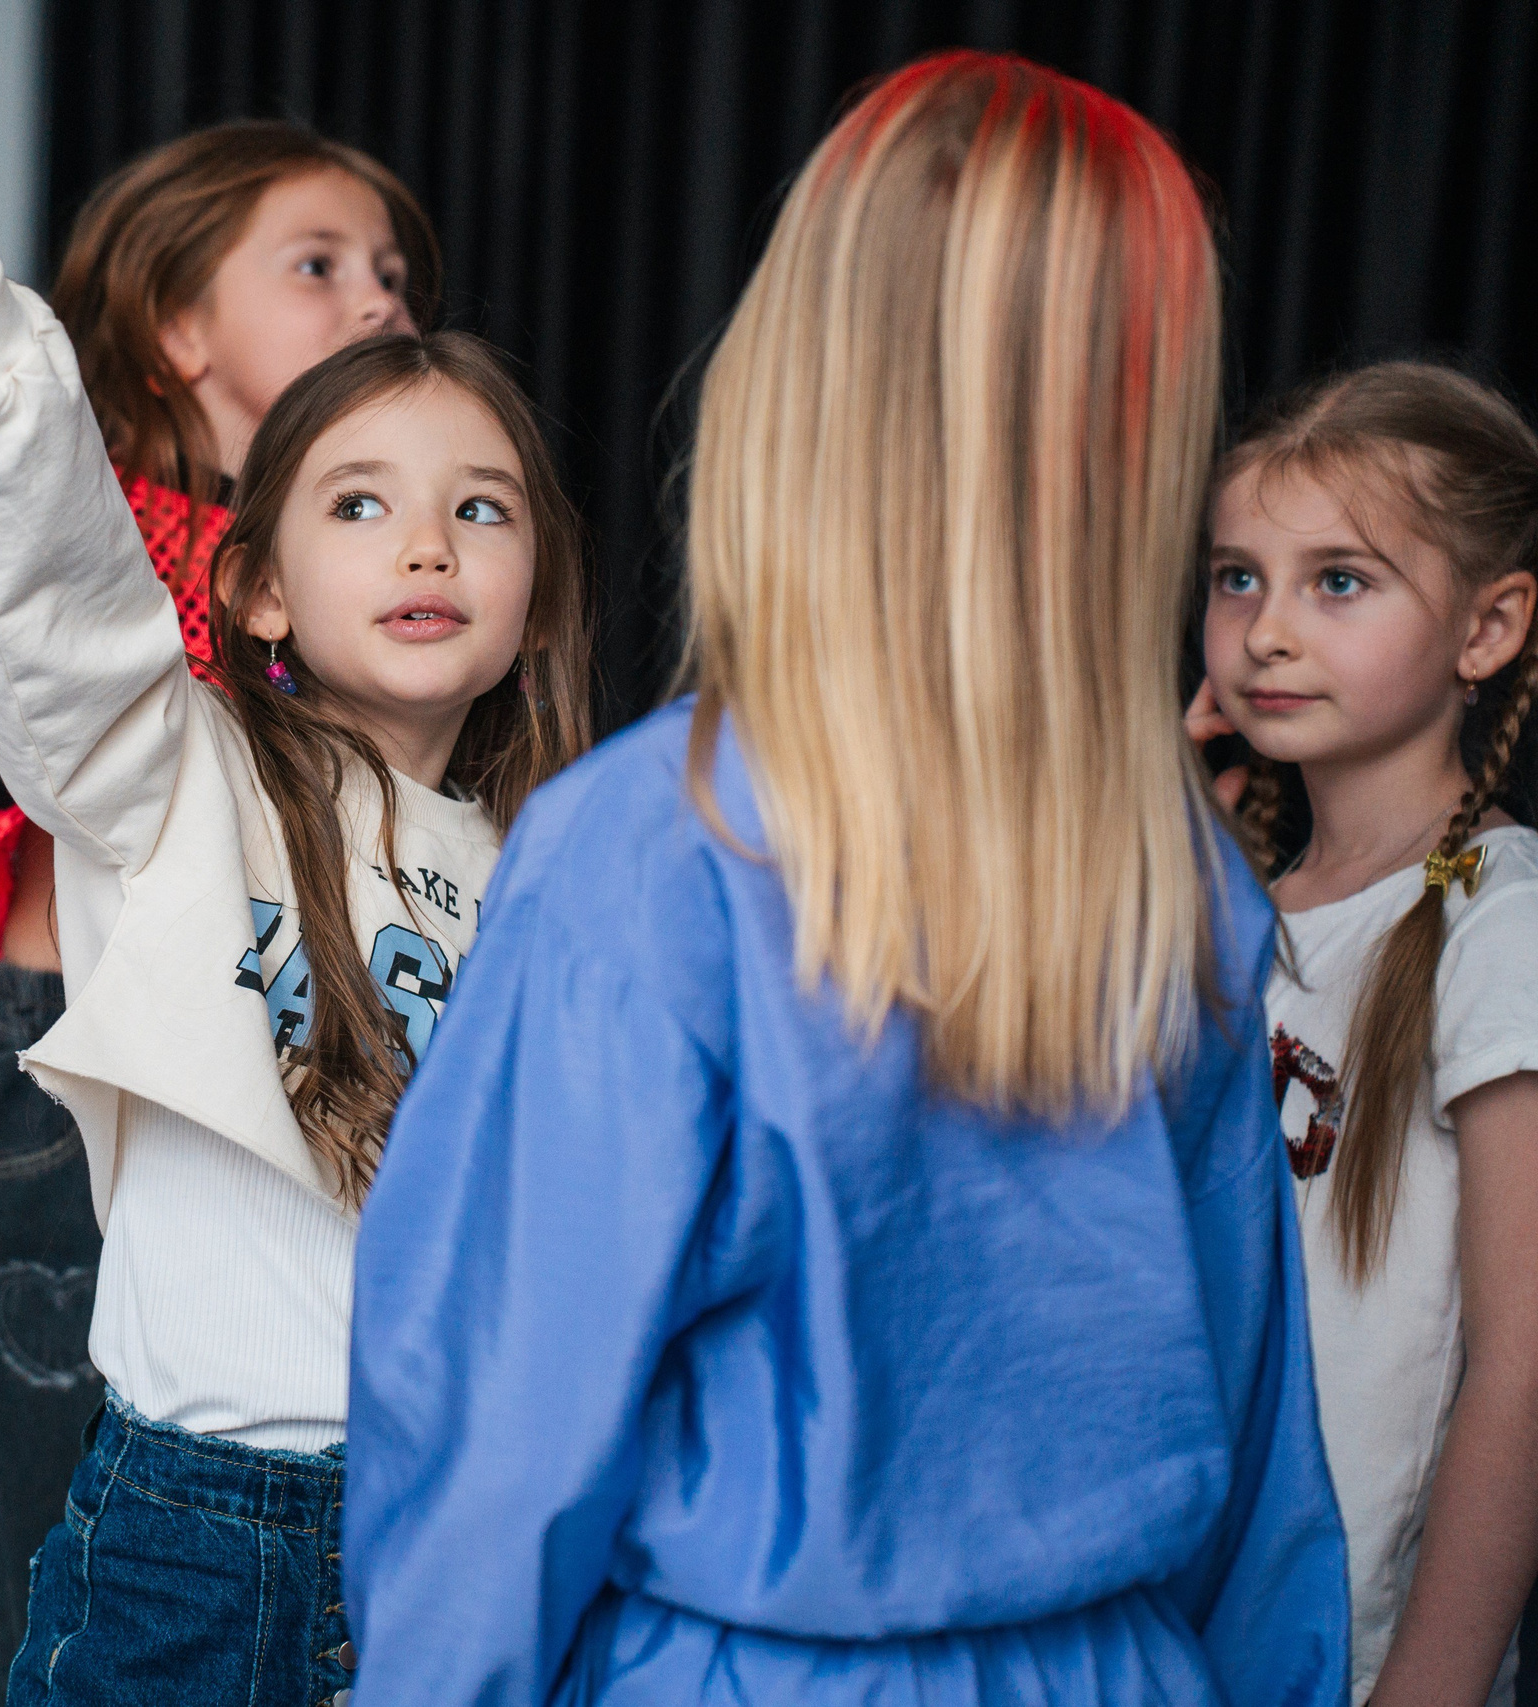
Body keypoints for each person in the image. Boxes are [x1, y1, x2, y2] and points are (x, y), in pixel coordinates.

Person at [341, 51, 1348, 1706]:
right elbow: (1260, 1480)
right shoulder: (1178, 870)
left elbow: (494, 1478)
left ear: (800, 373)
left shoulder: (646, 859)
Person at [0, 5, 590, 1699]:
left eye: (479, 507)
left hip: (458, 1534)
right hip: (190, 1536)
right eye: (358, 503)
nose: (426, 538)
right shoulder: (175, 760)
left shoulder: (569, 864)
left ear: (536, 593)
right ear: (261, 588)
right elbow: (40, 571)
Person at [1189, 363, 1538, 1706]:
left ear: (1488, 625)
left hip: (1364, 1658)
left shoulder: (1489, 923)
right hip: (1183, 1635)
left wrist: (1429, 1690)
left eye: (1340, 581)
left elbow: (1521, 1368)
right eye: (1237, 578)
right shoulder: (1223, 907)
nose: (1269, 631)